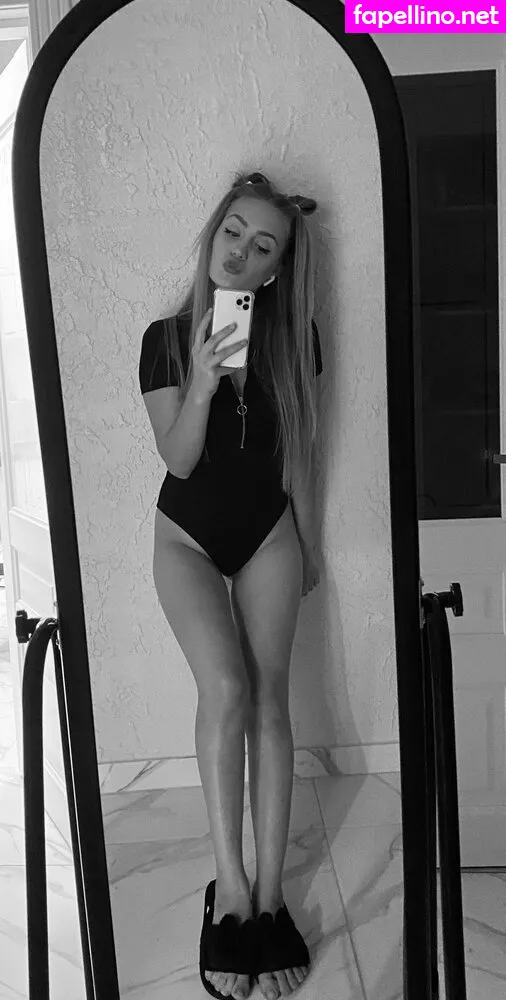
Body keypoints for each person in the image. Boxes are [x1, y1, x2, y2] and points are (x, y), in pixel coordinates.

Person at [139, 171, 323, 1000]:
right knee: (226, 687)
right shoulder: (165, 338)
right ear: (213, 235)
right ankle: (232, 891)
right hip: (186, 539)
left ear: (277, 269)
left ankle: (273, 898)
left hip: (268, 535)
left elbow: (302, 451)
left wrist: (306, 542)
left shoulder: (296, 340)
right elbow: (179, 460)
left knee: (271, 700)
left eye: (263, 246)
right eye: (233, 233)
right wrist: (206, 379)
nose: (242, 254)